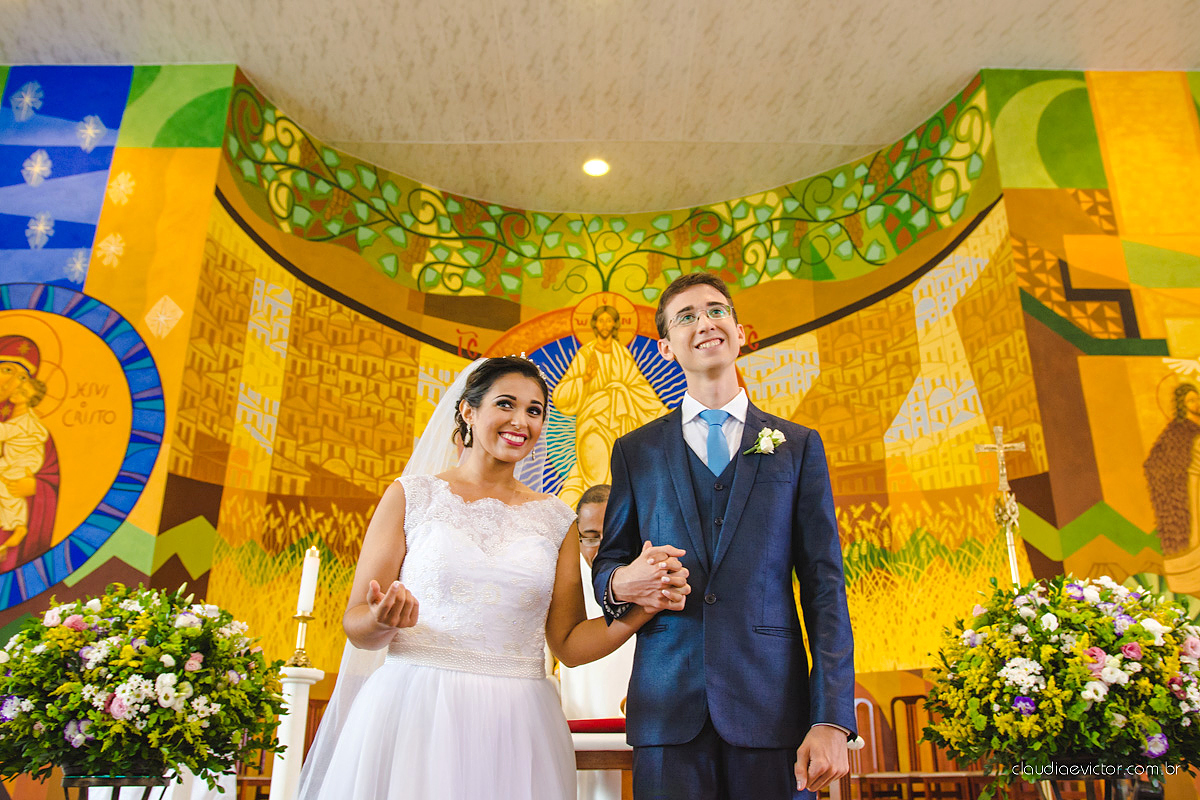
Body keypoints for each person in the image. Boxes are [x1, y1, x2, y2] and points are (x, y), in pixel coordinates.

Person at [297, 356, 690, 800]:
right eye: (506, 404)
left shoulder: (556, 519)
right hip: (417, 707)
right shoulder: (411, 496)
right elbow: (357, 626)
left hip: (517, 719)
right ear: (468, 410)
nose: (520, 421)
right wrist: (382, 620)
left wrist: (644, 608)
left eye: (535, 410)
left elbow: (569, 645)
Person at [592, 273, 857, 800]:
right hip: (668, 707)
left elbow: (825, 587)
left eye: (716, 311)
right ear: (666, 346)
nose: (704, 323)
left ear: (740, 331)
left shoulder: (798, 446)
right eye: (685, 316)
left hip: (773, 707)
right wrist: (625, 581)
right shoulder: (635, 452)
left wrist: (831, 719)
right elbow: (608, 564)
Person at [558, 484, 635, 800]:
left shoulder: (646, 584)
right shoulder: (564, 586)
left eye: (611, 534)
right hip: (581, 715)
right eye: (589, 537)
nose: (601, 547)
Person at [553, 304, 666, 508]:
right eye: (601, 320)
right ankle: (591, 523)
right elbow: (562, 395)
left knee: (619, 474)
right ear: (594, 324)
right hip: (593, 421)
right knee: (594, 469)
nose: (605, 325)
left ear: (615, 324)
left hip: (620, 424)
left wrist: (662, 414)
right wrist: (584, 379)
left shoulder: (621, 353)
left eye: (609, 320)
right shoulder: (586, 354)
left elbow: (637, 384)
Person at [0, 335, 59, 572]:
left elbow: (51, 476)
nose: (11, 382)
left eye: (22, 377)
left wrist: (36, 487)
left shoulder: (30, 426)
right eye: (6, 369)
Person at [1145, 382, 1200, 555]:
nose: (1196, 403)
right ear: (1182, 405)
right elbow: (1154, 461)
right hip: (1192, 481)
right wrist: (1174, 474)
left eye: (1197, 398)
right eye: (1191, 400)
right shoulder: (1178, 431)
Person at [0, 375, 49, 558]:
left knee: (7, 489)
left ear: (30, 400)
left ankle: (18, 527)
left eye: (23, 392)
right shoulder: (11, 413)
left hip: (21, 464)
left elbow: (4, 432)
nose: (17, 393)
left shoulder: (26, 422)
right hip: (11, 461)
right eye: (19, 388)